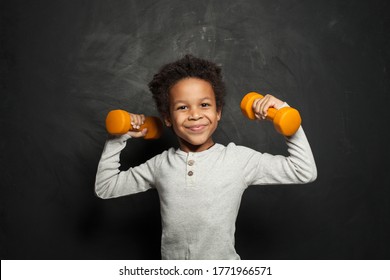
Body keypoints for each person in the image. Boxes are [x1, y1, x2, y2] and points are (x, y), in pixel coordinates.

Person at [95, 54, 317, 260]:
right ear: (168, 118)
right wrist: (118, 138)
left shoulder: (238, 160)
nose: (195, 115)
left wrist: (283, 113)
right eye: (182, 107)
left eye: (204, 105)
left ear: (218, 112)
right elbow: (106, 187)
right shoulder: (161, 164)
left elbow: (303, 170)